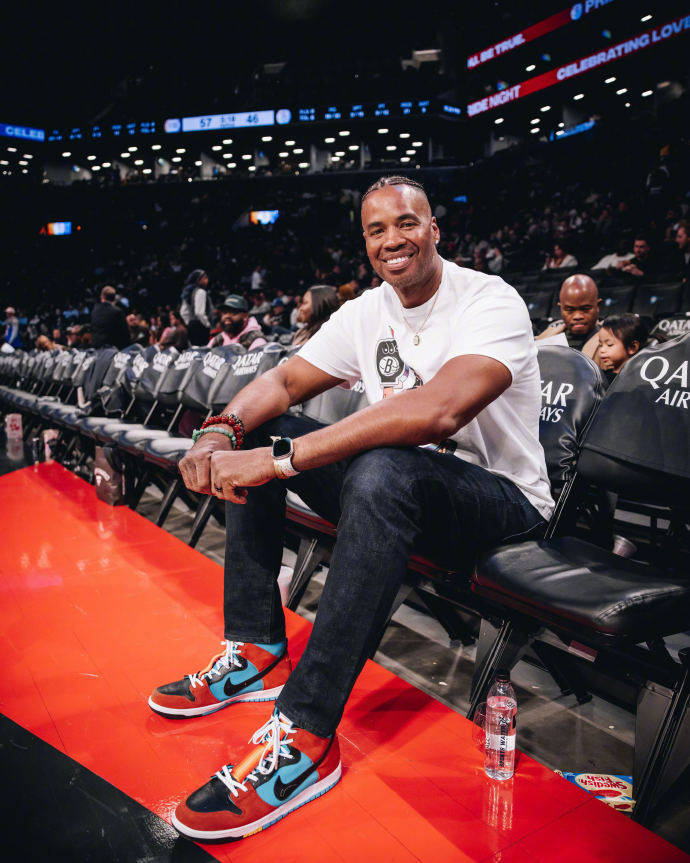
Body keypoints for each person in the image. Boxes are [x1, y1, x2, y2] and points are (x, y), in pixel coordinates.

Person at [149, 175, 553, 842]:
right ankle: (254, 646)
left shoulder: (490, 299)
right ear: (365, 243)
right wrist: (219, 430)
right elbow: (283, 380)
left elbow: (439, 411)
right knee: (265, 432)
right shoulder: (368, 310)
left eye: (407, 222)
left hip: (500, 502)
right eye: (376, 229)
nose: (393, 239)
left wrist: (281, 460)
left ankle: (304, 731)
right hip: (394, 489)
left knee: (378, 465)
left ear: (435, 229)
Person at [535, 274, 602, 364]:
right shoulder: (545, 338)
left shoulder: (613, 341)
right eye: (569, 310)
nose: (577, 316)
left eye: (585, 309)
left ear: (598, 306)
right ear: (560, 308)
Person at [597, 313, 649, 387]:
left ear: (632, 347)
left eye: (609, 344)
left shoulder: (632, 383)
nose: (602, 350)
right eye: (600, 345)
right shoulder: (602, 376)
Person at [180, 269, 213, 345]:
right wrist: (207, 325)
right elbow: (199, 312)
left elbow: (183, 312)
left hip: (192, 326)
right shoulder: (201, 292)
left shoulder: (189, 292)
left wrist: (190, 323)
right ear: (199, 280)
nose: (207, 280)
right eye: (205, 278)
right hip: (201, 327)